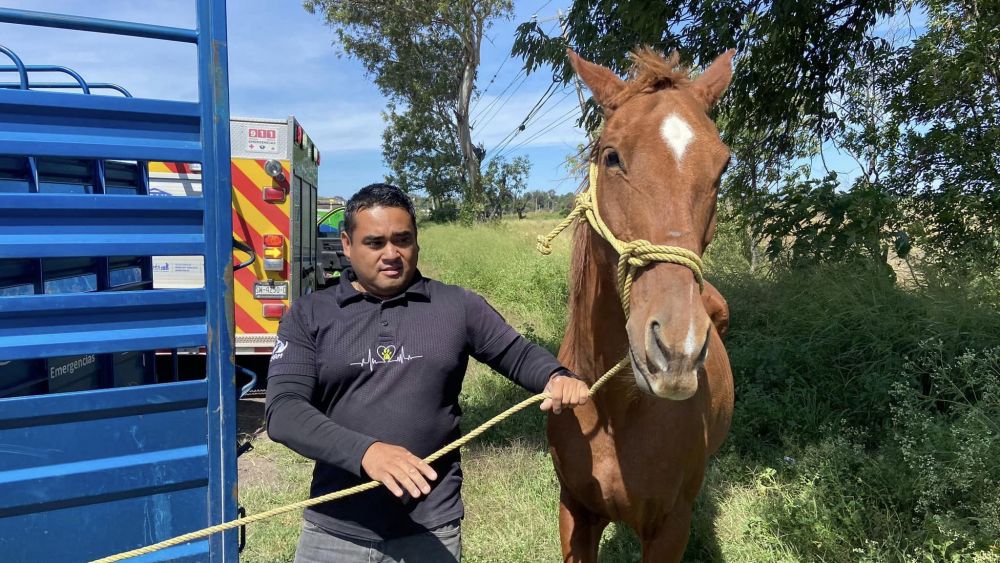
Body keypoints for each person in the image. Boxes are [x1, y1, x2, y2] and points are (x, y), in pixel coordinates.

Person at [265, 183, 590, 563]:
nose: (391, 254)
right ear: (346, 244)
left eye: (403, 240)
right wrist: (366, 452)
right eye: (375, 242)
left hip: (429, 529)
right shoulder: (310, 315)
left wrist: (556, 376)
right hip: (334, 529)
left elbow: (517, 355)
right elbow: (284, 411)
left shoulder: (457, 306)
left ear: (417, 241)